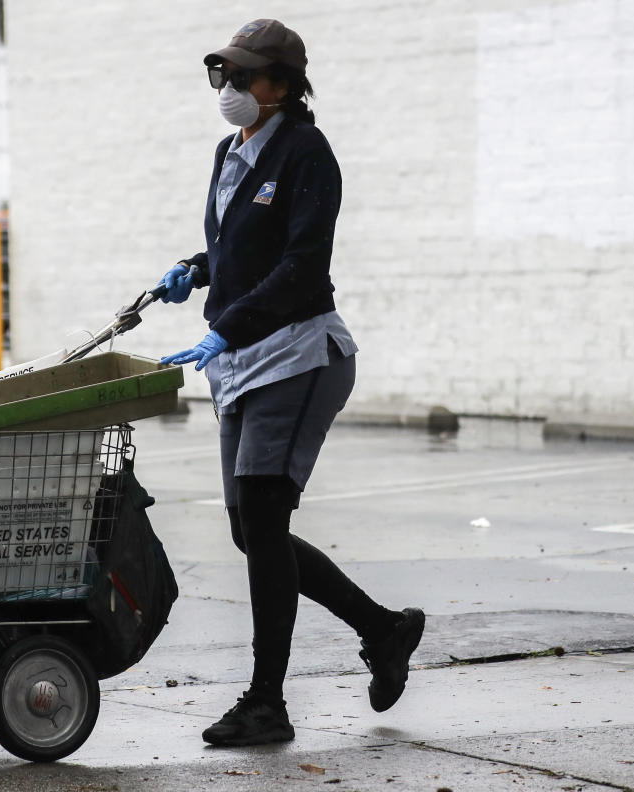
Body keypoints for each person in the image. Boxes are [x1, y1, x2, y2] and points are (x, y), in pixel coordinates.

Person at [158, 19, 426, 747]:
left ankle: (267, 702)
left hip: (299, 356)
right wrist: (198, 269)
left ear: (283, 85)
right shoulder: (230, 151)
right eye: (224, 77)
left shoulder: (308, 153)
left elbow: (302, 263)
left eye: (245, 77)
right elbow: (243, 245)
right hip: (243, 360)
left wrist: (227, 324)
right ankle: (384, 628)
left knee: (265, 521)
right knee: (252, 529)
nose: (231, 89)